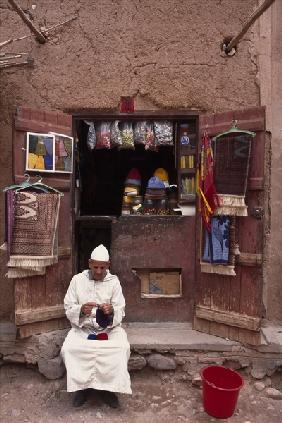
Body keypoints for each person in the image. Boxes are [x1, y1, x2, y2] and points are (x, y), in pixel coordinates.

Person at [61, 244, 132, 408]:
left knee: (121, 349)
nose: (99, 271)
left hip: (108, 329)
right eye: (96, 266)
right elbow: (68, 306)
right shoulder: (77, 280)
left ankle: (107, 390)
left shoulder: (114, 282)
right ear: (89, 263)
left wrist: (112, 310)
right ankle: (82, 389)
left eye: (102, 267)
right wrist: (81, 310)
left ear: (108, 265)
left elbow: (121, 308)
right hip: (83, 329)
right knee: (70, 349)